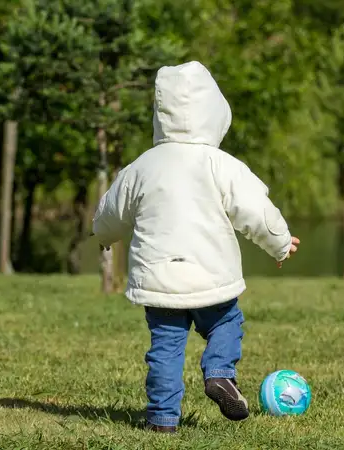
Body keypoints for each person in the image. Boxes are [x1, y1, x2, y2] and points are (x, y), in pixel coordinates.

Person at [91, 60, 300, 433]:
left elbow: (111, 211)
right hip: (211, 276)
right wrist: (281, 244)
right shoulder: (221, 164)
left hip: (160, 282)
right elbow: (255, 210)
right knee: (227, 322)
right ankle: (219, 373)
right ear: (214, 112)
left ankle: (161, 419)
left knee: (166, 350)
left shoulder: (142, 166)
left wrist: (104, 236)